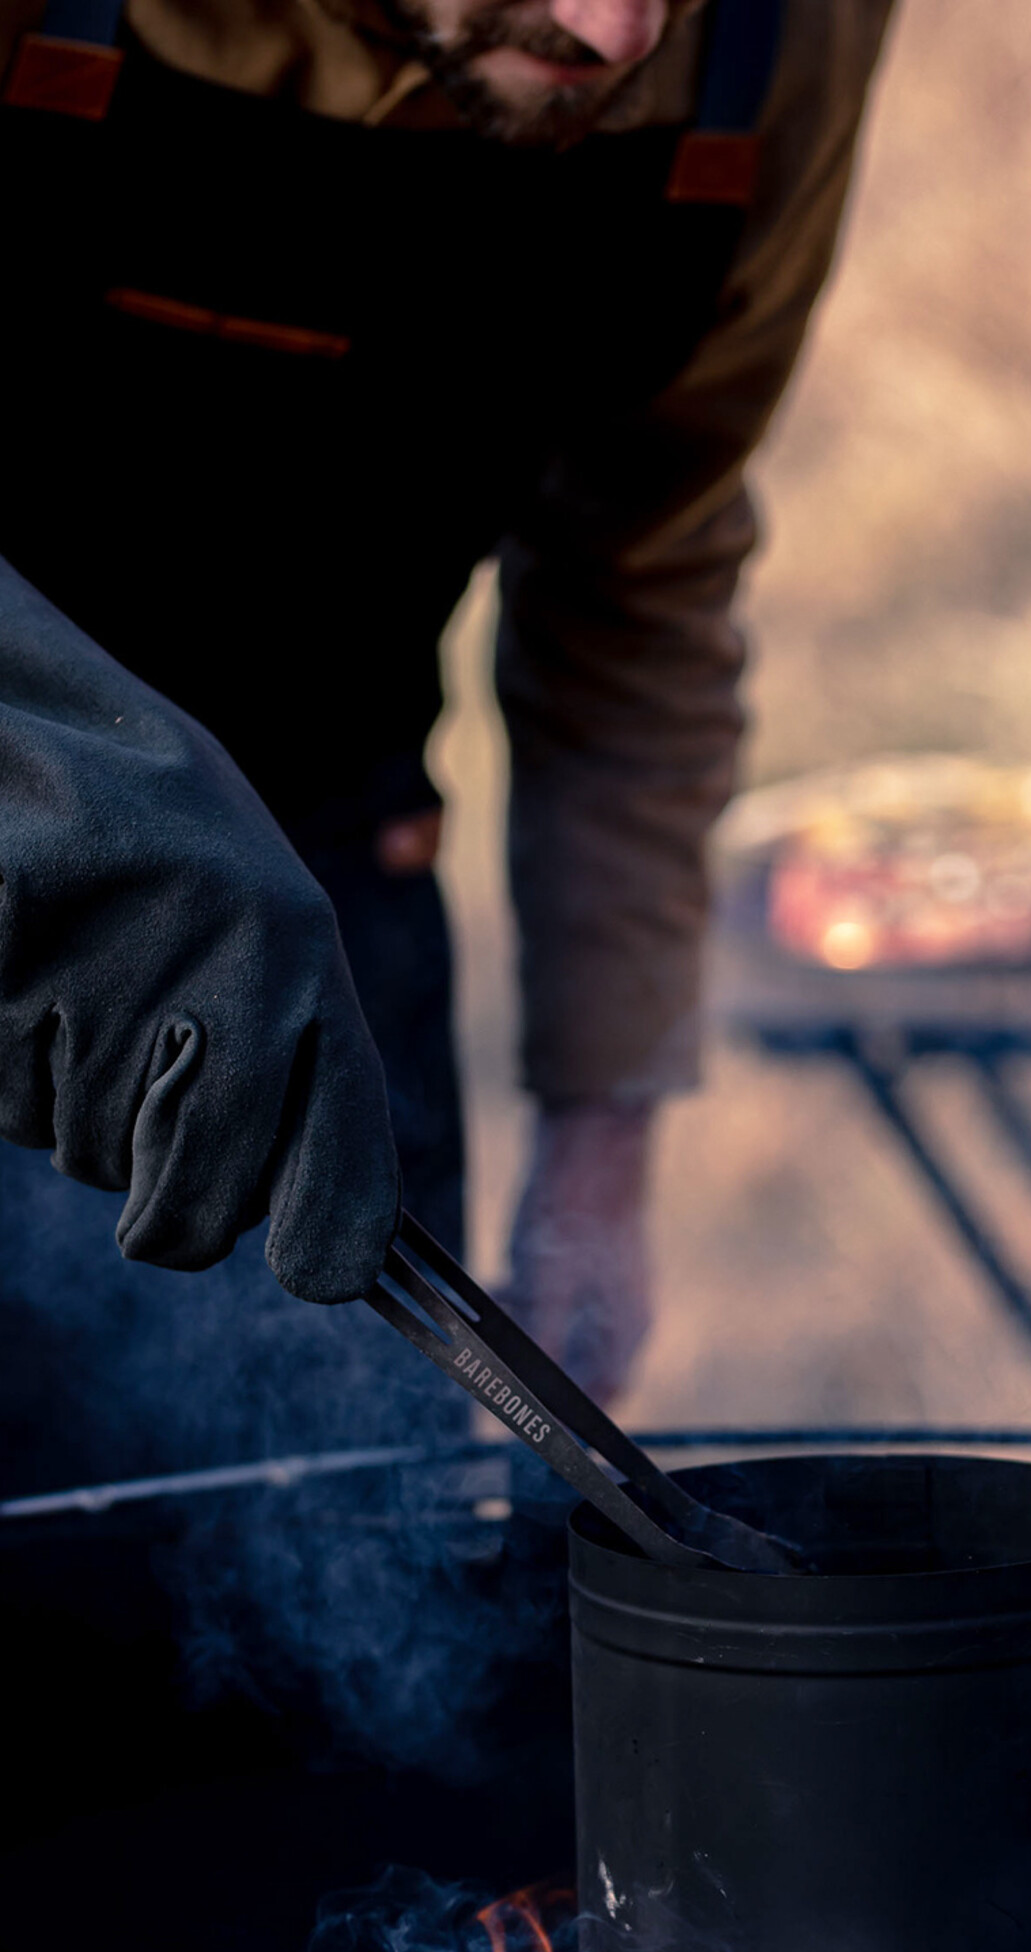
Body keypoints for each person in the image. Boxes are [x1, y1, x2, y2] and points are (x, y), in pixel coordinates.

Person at [0, 0, 894, 1482]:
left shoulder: (782, 38)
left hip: (336, 975)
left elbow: (641, 567)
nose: (616, 34)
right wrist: (72, 810)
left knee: (335, 1659)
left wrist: (600, 1147)